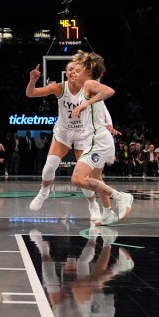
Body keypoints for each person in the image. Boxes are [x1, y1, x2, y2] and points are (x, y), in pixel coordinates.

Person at [25, 60, 103, 219]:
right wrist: (33, 80)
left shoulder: (89, 88)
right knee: (48, 167)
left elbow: (102, 106)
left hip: (83, 133)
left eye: (77, 70)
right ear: (66, 73)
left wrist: (107, 125)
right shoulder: (59, 87)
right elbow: (30, 93)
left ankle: (92, 204)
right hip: (63, 132)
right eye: (70, 69)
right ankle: (43, 192)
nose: (73, 72)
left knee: (83, 177)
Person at [64, 51, 134, 225]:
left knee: (78, 179)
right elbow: (103, 107)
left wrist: (85, 104)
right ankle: (108, 212)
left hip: (98, 140)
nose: (74, 73)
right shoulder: (83, 90)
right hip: (95, 138)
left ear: (88, 72)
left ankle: (121, 197)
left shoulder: (89, 83)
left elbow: (109, 91)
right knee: (97, 179)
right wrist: (108, 122)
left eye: (77, 71)